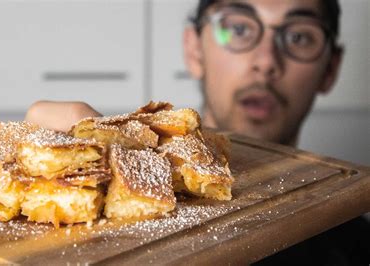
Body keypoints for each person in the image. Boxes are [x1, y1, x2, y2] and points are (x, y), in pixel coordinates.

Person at [25, 0, 369, 264]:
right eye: (238, 29)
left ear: (331, 68)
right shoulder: (119, 228)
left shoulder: (355, 247)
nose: (266, 60)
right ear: (193, 49)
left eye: (298, 37)